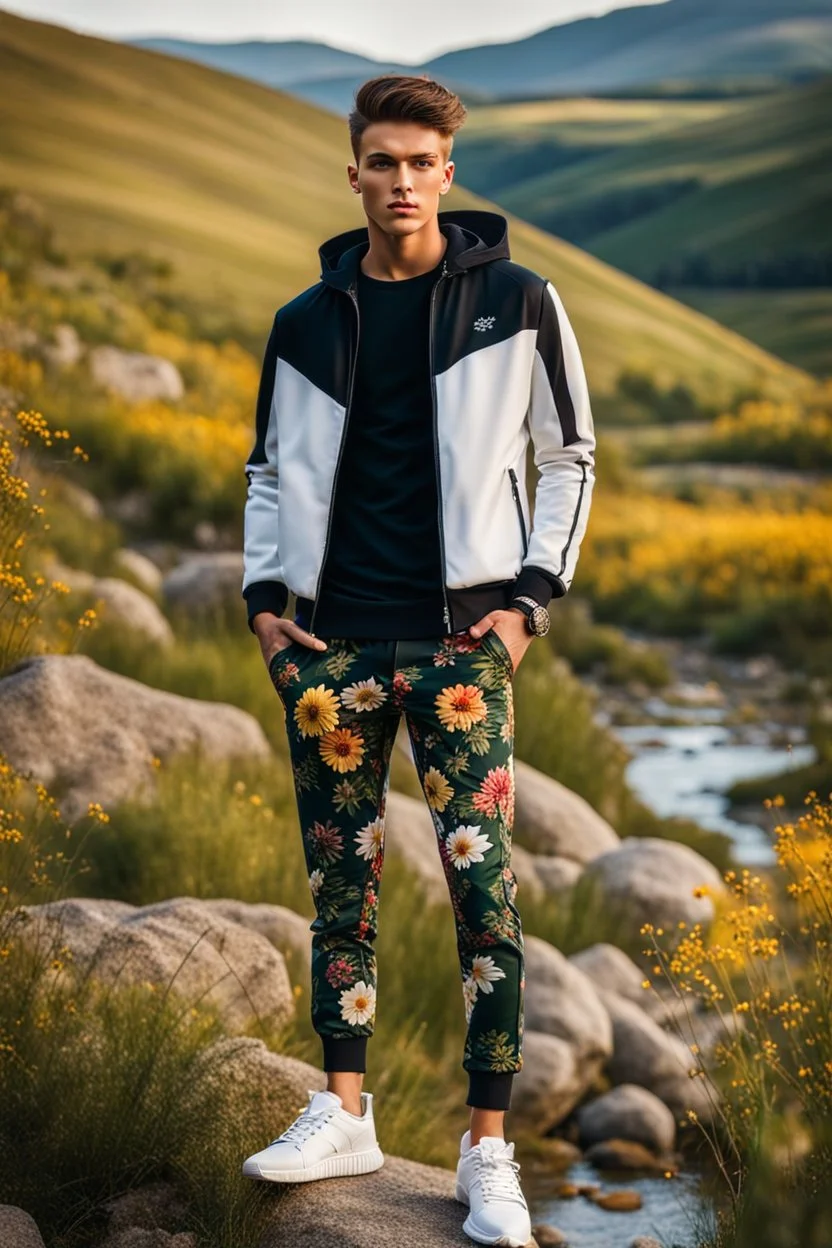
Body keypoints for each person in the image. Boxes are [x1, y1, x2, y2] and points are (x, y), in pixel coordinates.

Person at [239, 73, 596, 1247]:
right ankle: (342, 1112)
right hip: (333, 645)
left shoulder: (519, 302)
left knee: (482, 900)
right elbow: (265, 474)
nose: (399, 183)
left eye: (420, 163)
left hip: (459, 645)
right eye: (380, 162)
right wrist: (261, 602)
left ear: (450, 171)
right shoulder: (303, 321)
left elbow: (571, 459)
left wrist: (528, 605)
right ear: (353, 172)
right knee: (341, 892)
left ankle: (488, 1153)